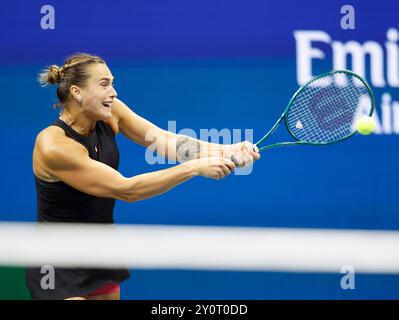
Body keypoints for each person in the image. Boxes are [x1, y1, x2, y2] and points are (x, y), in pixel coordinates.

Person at [26, 53, 260, 300]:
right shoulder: (54, 145)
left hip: (100, 250)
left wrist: (227, 149)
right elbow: (126, 189)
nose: (113, 92)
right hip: (57, 260)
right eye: (104, 84)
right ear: (77, 92)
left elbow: (165, 141)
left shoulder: (111, 112)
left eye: (112, 83)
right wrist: (194, 168)